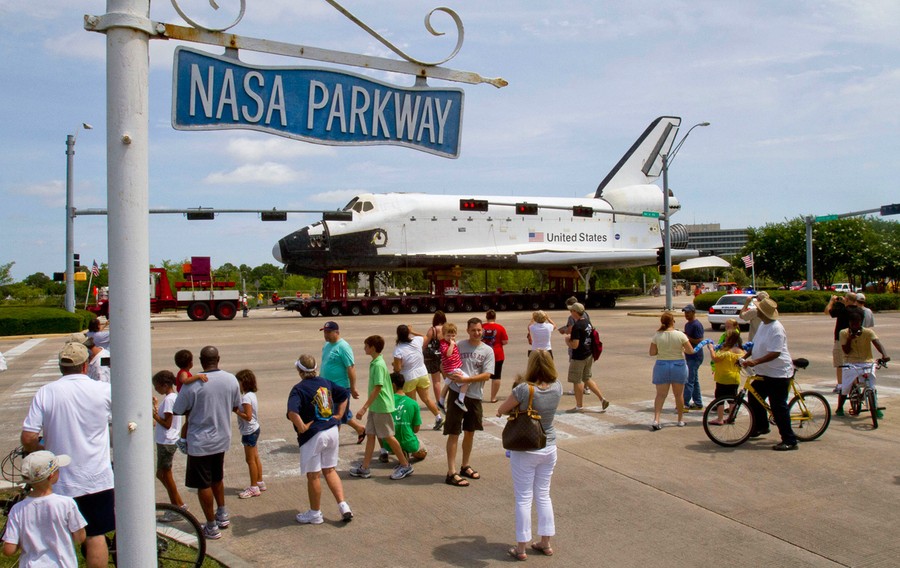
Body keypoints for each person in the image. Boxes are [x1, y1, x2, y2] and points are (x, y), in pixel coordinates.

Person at [20, 342, 114, 568]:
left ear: (61, 367)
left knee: (59, 537)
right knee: (95, 534)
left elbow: (28, 437)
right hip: (96, 477)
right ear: (85, 366)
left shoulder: (47, 392)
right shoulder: (103, 390)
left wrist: (42, 450)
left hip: (59, 480)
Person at [496, 350, 562, 561]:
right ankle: (546, 542)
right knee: (543, 494)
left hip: (526, 449)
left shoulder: (525, 389)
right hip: (549, 446)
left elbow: (503, 409)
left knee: (524, 497)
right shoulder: (557, 386)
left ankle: (521, 547)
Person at [172, 346, 242, 540]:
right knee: (217, 478)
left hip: (200, 442)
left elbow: (178, 410)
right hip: (221, 438)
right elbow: (236, 404)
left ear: (200, 361)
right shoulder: (230, 379)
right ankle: (222, 513)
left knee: (203, 484)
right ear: (218, 359)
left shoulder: (191, 384)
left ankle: (211, 526)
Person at [287, 354, 353, 524]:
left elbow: (292, 412)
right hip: (331, 429)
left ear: (299, 371)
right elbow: (344, 394)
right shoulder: (325, 382)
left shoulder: (298, 389)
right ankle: (343, 505)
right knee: (330, 470)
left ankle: (315, 513)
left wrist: (302, 427)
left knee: (314, 475)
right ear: (315, 368)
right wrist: (339, 415)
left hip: (314, 435)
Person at [1, 451, 87, 568]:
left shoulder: (18, 509)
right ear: (51, 476)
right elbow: (80, 538)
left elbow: (9, 550)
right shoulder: (66, 503)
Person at [349, 336, 414, 480]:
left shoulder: (378, 364)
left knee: (388, 436)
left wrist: (364, 408)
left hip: (381, 407)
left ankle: (405, 465)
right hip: (376, 407)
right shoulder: (375, 362)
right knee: (371, 435)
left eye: (366, 345)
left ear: (372, 347)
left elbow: (378, 388)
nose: (364, 348)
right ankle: (365, 468)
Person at [740, 298, 799, 451]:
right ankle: (762, 426)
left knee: (778, 406)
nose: (757, 310)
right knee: (754, 397)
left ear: (764, 312)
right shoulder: (762, 325)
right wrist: (745, 357)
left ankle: (790, 439)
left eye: (759, 309)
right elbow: (755, 345)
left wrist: (756, 361)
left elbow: (775, 352)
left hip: (778, 373)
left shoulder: (776, 328)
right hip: (764, 372)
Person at [443, 317, 494, 487]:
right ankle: (451, 472)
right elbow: (445, 362)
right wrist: (448, 375)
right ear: (468, 330)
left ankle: (465, 465)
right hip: (457, 395)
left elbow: (487, 375)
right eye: (473, 330)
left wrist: (468, 379)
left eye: (479, 330)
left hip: (475, 396)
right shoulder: (458, 345)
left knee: (470, 431)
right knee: (453, 432)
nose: (477, 333)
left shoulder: (487, 350)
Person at [835, 311, 890, 417]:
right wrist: (850, 339)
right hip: (850, 362)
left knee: (872, 386)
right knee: (846, 386)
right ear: (849, 323)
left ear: (861, 322)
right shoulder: (843, 333)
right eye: (853, 324)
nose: (855, 326)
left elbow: (877, 343)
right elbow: (846, 351)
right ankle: (840, 407)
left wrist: (884, 355)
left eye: (858, 323)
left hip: (867, 362)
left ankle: (875, 406)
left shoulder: (868, 332)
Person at [319, 321, 367, 443]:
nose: (326, 335)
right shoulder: (327, 345)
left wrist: (353, 387)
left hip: (339, 388)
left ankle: (331, 443)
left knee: (335, 416)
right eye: (325, 332)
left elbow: (350, 367)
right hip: (326, 387)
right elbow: (324, 364)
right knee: (339, 413)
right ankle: (360, 429)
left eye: (329, 332)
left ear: (337, 332)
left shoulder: (343, 347)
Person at [392, 324, 444, 430]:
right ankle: (439, 417)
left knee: (412, 402)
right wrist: (413, 331)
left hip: (409, 377)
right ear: (408, 333)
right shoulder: (416, 340)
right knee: (426, 399)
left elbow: (397, 369)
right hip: (422, 374)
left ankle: (415, 424)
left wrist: (394, 365)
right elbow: (426, 337)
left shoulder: (398, 349)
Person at [648, 312, 695, 430]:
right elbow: (690, 351)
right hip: (678, 364)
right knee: (678, 395)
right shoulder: (680, 335)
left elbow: (652, 352)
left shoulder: (657, 335)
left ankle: (656, 419)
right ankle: (680, 420)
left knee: (660, 395)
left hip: (662, 364)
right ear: (672, 321)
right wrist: (681, 348)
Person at [151, 370, 187, 518]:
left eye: (157, 386)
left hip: (167, 441)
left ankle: (177, 507)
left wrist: (154, 415)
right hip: (167, 440)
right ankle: (178, 504)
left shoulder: (169, 400)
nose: (156, 389)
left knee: (166, 475)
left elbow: (167, 423)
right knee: (161, 474)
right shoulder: (172, 398)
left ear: (165, 385)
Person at [564, 303, 609, 412]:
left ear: (575, 312)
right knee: (587, 378)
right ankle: (602, 399)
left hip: (579, 357)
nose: (570, 313)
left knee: (577, 380)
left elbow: (575, 345)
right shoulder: (587, 322)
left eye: (571, 311)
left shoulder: (577, 326)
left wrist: (567, 341)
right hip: (589, 354)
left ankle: (579, 406)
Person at [379, 372, 428, 464]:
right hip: (408, 441)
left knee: (379, 423)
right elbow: (416, 429)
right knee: (423, 452)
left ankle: (385, 451)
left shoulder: (385, 401)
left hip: (389, 443)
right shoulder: (413, 403)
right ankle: (404, 450)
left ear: (393, 385)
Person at [235, 369, 265, 498]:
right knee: (255, 456)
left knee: (250, 460)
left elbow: (247, 416)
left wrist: (236, 411)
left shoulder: (246, 398)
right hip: (254, 429)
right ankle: (259, 482)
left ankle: (253, 487)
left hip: (249, 431)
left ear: (244, 383)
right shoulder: (251, 395)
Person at [705, 331, 746, 425]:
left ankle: (720, 419)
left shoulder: (727, 352)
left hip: (723, 377)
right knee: (732, 398)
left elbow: (715, 359)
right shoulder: (741, 351)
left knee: (719, 398)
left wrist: (711, 349)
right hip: (734, 378)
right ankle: (731, 418)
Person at [825, 292, 862, 391]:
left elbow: (827, 311)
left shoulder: (843, 310)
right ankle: (855, 385)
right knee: (853, 363)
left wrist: (832, 301)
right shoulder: (860, 311)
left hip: (841, 340)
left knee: (840, 364)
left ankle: (840, 385)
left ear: (847, 300)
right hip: (856, 339)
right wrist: (843, 301)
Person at [439, 322, 470, 411]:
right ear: (443, 335)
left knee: (447, 384)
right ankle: (460, 400)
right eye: (448, 336)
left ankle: (440, 402)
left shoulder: (448, 343)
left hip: (453, 367)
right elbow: (448, 354)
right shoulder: (444, 344)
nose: (451, 338)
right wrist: (452, 345)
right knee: (466, 381)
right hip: (453, 369)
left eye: (453, 336)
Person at [482, 310, 509, 403]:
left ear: (486, 317)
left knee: (481, 376)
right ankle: (493, 397)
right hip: (497, 354)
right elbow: (505, 341)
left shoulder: (482, 327)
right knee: (496, 376)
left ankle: (478, 395)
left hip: (483, 354)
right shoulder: (500, 327)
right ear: (495, 317)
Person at [681, 304, 705, 410]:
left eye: (688, 312)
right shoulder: (688, 324)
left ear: (693, 312)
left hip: (696, 356)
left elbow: (700, 340)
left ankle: (685, 403)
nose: (686, 314)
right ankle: (698, 402)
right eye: (685, 312)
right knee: (694, 380)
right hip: (689, 355)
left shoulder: (697, 325)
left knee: (689, 380)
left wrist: (687, 337)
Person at [424, 311, 448, 409]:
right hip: (445, 356)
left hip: (434, 357)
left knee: (436, 381)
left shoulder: (433, 330)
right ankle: (450, 399)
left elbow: (425, 343)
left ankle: (439, 402)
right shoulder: (447, 329)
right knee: (448, 380)